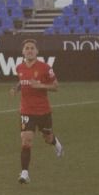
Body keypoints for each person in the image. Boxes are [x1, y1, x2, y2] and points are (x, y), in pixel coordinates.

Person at [10, 38, 62, 184]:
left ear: (37, 51)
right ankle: (25, 173)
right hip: (26, 111)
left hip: (43, 110)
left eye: (32, 48)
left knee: (47, 138)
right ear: (23, 51)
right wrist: (15, 88)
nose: (29, 50)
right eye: (27, 48)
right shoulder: (19, 67)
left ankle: (55, 142)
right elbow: (22, 81)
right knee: (26, 140)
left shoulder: (45, 67)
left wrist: (40, 86)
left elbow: (56, 86)